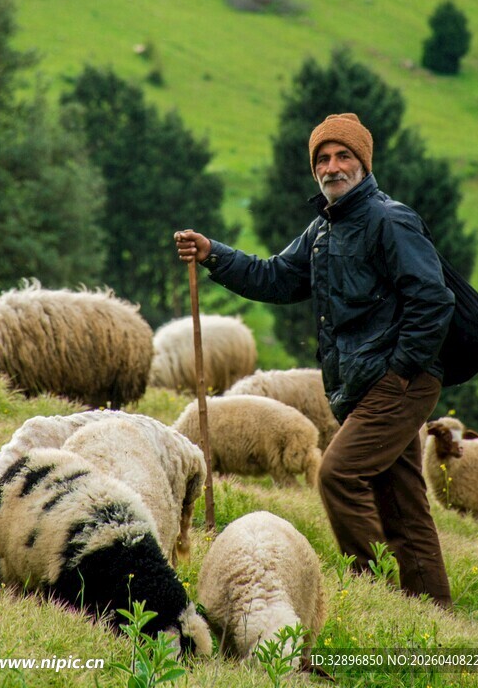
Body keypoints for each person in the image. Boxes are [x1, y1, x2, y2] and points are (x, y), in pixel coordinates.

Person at [174, 112, 455, 608]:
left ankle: (376, 592)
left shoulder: (390, 220)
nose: (332, 166)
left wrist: (400, 371)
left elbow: (433, 300)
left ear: (364, 164)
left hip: (398, 381)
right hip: (363, 384)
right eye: (322, 159)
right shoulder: (324, 231)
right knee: (403, 505)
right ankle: (430, 608)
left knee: (337, 474)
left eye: (343, 155)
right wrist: (213, 253)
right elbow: (276, 277)